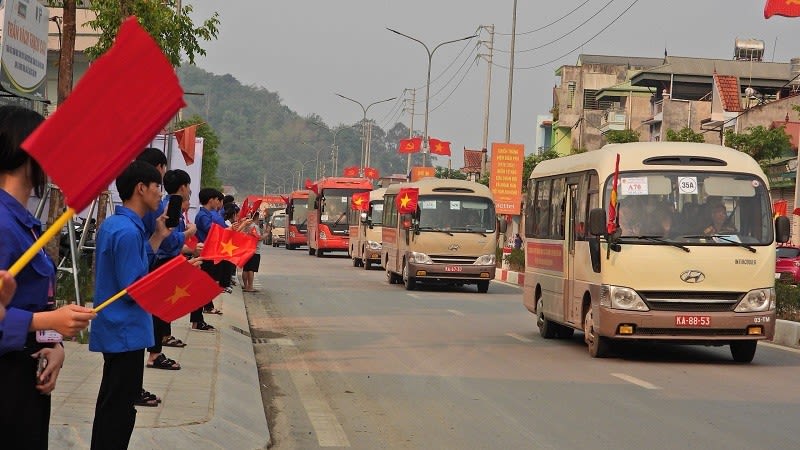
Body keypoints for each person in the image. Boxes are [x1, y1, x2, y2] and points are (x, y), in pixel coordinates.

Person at [0, 104, 96, 449]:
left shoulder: (24, 222)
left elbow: (34, 301)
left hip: (28, 370)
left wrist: (54, 343)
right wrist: (46, 321)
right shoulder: (2, 223)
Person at [89, 161, 171, 449]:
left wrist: (158, 238)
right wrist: (174, 279)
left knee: (112, 403)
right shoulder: (127, 232)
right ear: (141, 188)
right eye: (157, 186)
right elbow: (133, 288)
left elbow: (132, 270)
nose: (160, 194)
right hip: (125, 331)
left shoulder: (118, 225)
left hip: (118, 329)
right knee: (119, 409)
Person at [145, 169, 197, 371]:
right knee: (158, 310)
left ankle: (159, 345)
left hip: (163, 259)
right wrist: (188, 233)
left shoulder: (168, 205)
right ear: (183, 187)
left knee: (161, 309)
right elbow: (168, 239)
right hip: (161, 262)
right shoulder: (167, 207)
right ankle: (155, 354)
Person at [242, 212, 269, 292]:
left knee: (245, 269)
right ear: (257, 217)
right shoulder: (254, 227)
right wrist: (267, 233)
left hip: (246, 249)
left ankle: (245, 286)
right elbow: (259, 238)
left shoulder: (246, 226)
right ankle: (250, 287)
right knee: (251, 269)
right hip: (254, 250)